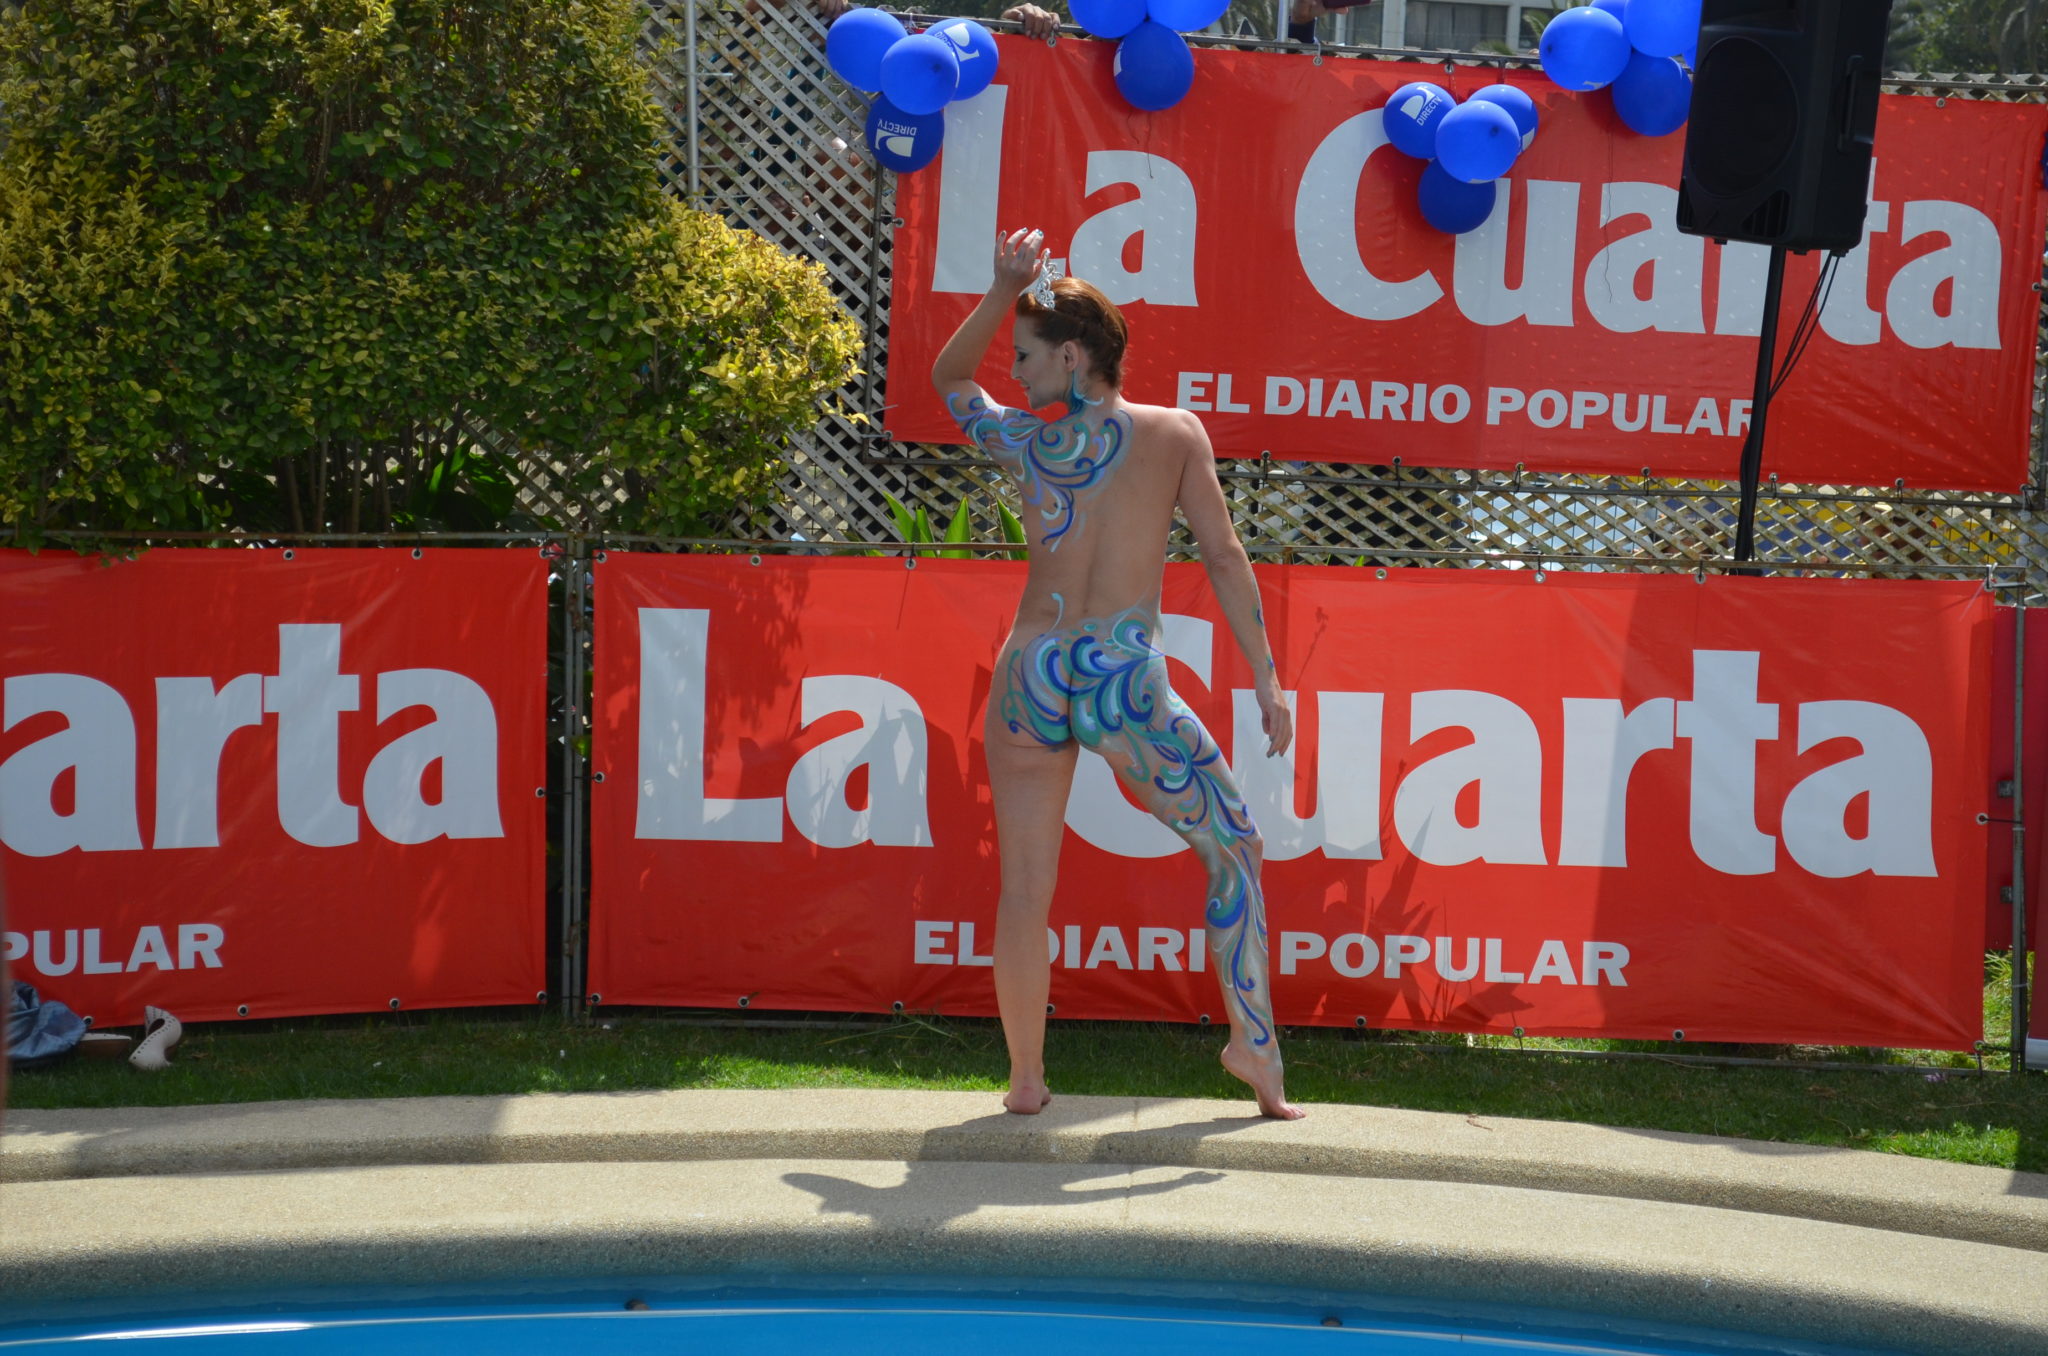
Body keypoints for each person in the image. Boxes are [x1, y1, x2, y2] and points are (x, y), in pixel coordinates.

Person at [930, 229, 1304, 1121]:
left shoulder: (1027, 442)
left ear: (1072, 355)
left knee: (1026, 891)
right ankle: (1253, 1049)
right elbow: (1224, 555)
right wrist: (1267, 676)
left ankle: (1027, 1080)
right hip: (1120, 680)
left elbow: (950, 379)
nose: (1015, 372)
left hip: (1032, 672)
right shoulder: (1173, 434)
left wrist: (999, 291)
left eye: (1026, 355)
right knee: (1235, 848)